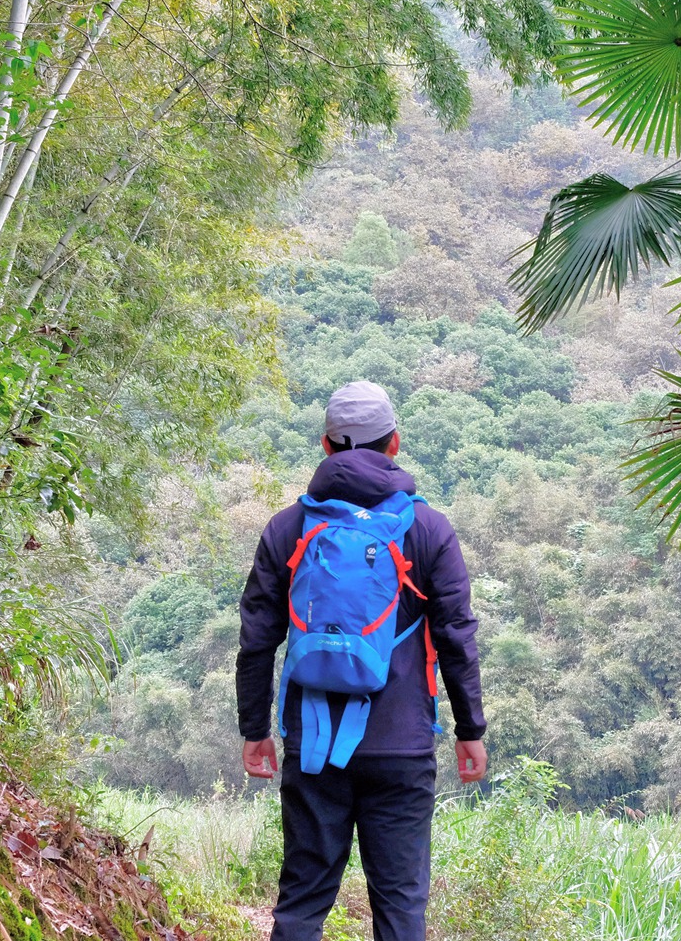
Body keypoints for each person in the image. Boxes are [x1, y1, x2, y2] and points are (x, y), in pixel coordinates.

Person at [236, 380, 487, 941]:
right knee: (399, 908)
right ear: (394, 444)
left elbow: (256, 639)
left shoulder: (289, 528)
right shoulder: (428, 529)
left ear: (326, 446)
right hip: (402, 745)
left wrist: (255, 730)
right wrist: (470, 728)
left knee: (302, 901)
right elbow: (456, 637)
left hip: (315, 747)